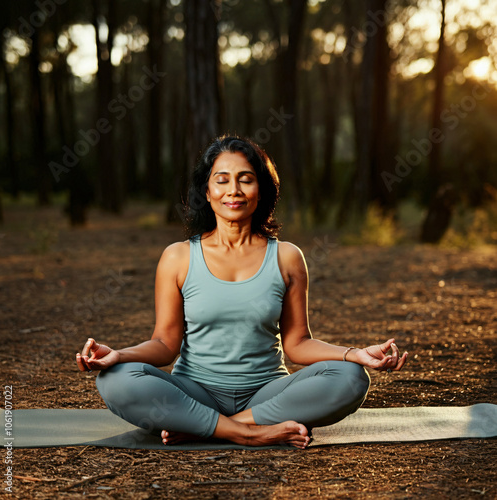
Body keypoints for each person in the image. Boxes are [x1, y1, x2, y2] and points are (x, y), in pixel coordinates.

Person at [76, 135, 408, 449]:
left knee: (351, 377)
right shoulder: (177, 257)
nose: (233, 190)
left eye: (246, 179)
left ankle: (210, 426)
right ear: (206, 191)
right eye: (222, 180)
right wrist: (120, 355)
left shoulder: (287, 257)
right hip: (194, 392)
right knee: (114, 379)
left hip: (267, 395)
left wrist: (355, 354)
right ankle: (249, 434)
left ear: (261, 190)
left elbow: (298, 344)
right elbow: (165, 345)